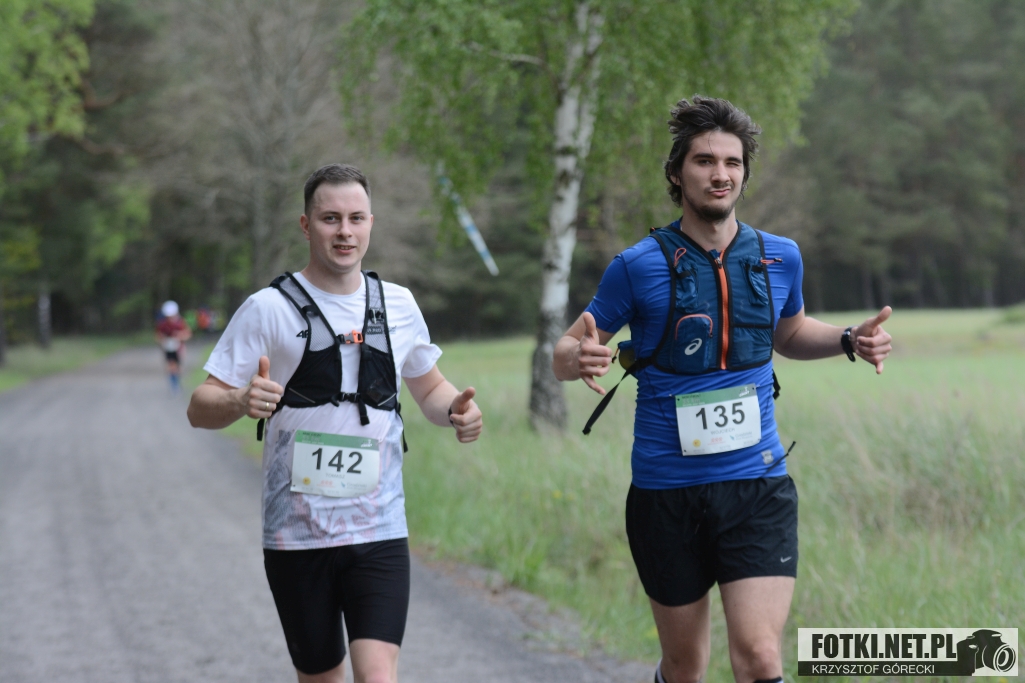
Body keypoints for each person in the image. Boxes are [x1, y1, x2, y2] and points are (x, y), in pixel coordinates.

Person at [552, 97, 892, 683]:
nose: (720, 174)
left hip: (757, 486)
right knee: (685, 665)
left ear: (744, 174)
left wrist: (846, 339)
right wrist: (577, 356)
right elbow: (566, 350)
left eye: (732, 162)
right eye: (705, 161)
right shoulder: (636, 265)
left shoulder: (780, 256)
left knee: (759, 656)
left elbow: (788, 333)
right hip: (666, 493)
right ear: (676, 173)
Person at [187, 163, 483, 683]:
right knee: (321, 677)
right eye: (330, 219)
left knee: (377, 675)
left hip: (379, 527)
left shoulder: (398, 304)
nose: (344, 231)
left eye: (355, 218)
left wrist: (457, 410)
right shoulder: (267, 309)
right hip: (296, 535)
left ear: (371, 223)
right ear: (306, 225)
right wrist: (238, 399)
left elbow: (430, 389)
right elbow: (199, 406)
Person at [155, 300, 192, 393]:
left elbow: (188, 334)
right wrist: (163, 340)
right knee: (171, 366)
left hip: (179, 348)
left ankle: (177, 383)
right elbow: (158, 336)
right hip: (168, 348)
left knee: (178, 366)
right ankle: (174, 385)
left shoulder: (181, 323)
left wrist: (180, 336)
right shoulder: (162, 324)